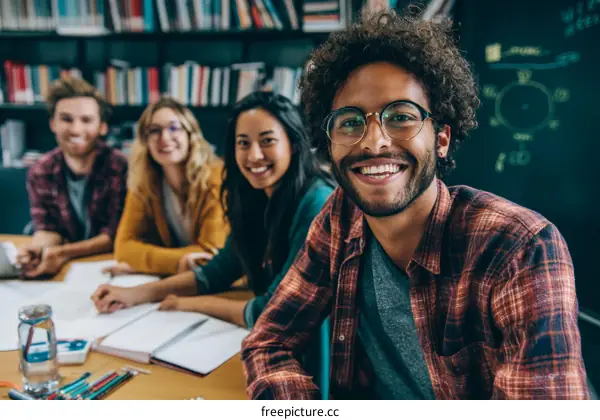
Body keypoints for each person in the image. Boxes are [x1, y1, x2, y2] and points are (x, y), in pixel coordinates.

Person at [241, 10, 589, 400]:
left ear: (441, 139)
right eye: (350, 122)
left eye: (401, 117)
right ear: (329, 144)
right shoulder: (341, 217)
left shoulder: (519, 249)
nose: (373, 142)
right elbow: (269, 342)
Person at [91, 92, 335, 328]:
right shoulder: (256, 195)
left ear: (293, 144)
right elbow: (219, 270)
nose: (254, 155)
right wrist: (135, 294)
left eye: (267, 140)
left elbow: (276, 311)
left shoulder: (316, 203)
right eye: (243, 143)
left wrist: (192, 304)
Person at [16, 77, 127, 278]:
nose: (76, 129)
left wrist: (63, 253)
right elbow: (48, 228)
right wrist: (36, 249)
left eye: (86, 120)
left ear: (102, 126)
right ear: (53, 124)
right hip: (65, 270)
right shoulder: (40, 170)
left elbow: (115, 236)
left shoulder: (120, 167)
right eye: (67, 119)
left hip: (108, 265)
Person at [105, 97, 229, 276]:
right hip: (182, 281)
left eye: (174, 128)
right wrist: (178, 262)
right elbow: (123, 248)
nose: (164, 138)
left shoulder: (216, 178)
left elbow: (209, 255)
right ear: (145, 141)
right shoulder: (143, 183)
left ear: (190, 134)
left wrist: (140, 264)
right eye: (154, 131)